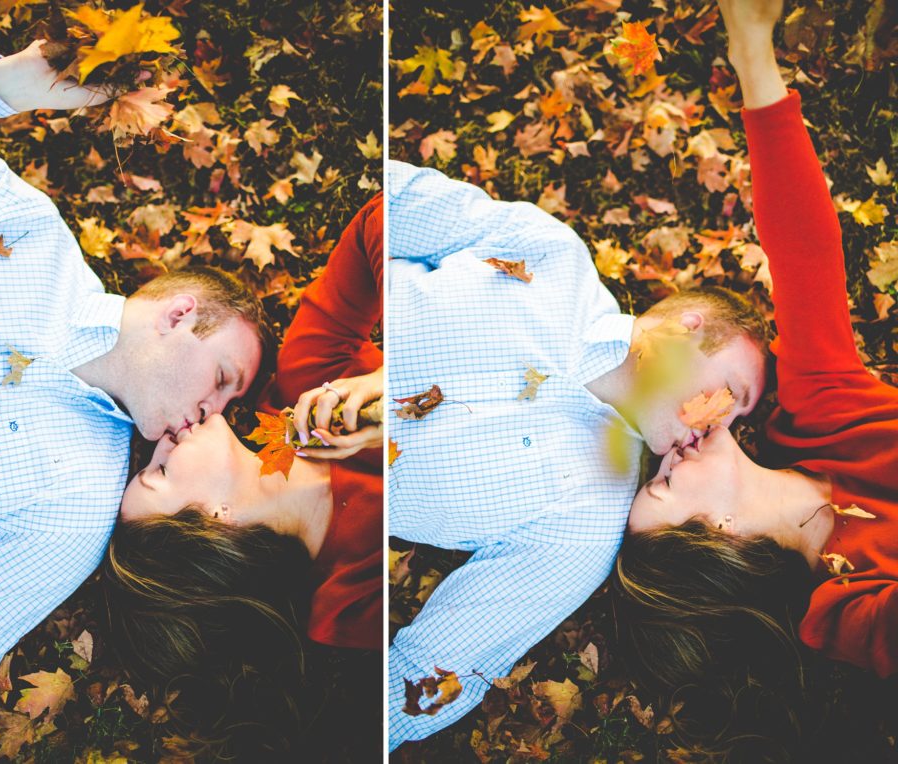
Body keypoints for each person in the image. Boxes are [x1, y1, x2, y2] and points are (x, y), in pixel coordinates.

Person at [0, 44, 268, 746]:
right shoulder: (22, 228)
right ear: (180, 314)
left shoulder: (73, 513)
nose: (211, 418)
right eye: (223, 382)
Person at [387, 147, 771, 743]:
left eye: (734, 418)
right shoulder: (551, 253)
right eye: (730, 393)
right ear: (690, 327)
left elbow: (436, 670)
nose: (719, 425)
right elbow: (389, 202)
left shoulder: (586, 523)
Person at [611, 0, 898, 754]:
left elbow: (805, 256)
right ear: (722, 539)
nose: (666, 453)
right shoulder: (845, 610)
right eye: (664, 485)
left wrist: (752, 54)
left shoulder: (818, 421)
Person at [104, 196, 383, 758]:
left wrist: (396, 377)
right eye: (158, 472)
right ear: (217, 524)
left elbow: (385, 215)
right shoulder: (354, 605)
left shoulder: (301, 388)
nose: (162, 441)